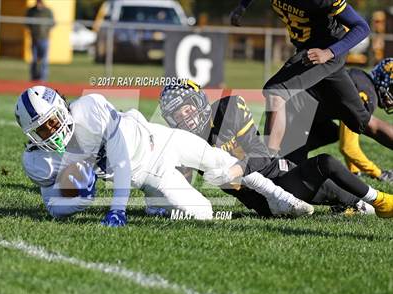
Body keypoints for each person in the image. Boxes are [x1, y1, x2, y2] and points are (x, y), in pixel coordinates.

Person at [14, 86, 314, 227]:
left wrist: (117, 207)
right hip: (148, 173)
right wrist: (79, 199)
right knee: (204, 213)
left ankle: (280, 196)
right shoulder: (39, 161)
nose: (50, 133)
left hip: (161, 139)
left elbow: (119, 157)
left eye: (52, 122)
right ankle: (158, 204)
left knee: (220, 163)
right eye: (40, 131)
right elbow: (54, 209)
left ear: (63, 108)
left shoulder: (89, 108)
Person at [159, 81, 393, 218]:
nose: (186, 120)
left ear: (199, 102)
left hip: (278, 173)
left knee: (334, 182)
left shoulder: (226, 109)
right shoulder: (182, 140)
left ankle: (370, 202)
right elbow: (179, 183)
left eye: (187, 110)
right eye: (178, 116)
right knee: (325, 164)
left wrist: (234, 171)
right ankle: (375, 201)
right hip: (262, 199)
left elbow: (261, 154)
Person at [229, 0, 386, 156]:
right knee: (364, 122)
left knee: (277, 92)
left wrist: (329, 53)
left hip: (325, 51)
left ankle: (268, 163)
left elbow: (362, 27)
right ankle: (287, 158)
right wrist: (241, 7)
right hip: (311, 52)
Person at [282, 58, 393, 182]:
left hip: (299, 109)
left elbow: (348, 130)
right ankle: (287, 156)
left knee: (332, 132)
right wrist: (378, 173)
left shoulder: (359, 76)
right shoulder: (366, 94)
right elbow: (348, 147)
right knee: (294, 178)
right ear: (383, 80)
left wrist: (354, 170)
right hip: (296, 116)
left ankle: (293, 155)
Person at [26, 0, 55, 81]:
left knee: (44, 59)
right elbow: (27, 23)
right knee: (34, 59)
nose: (38, 3)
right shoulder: (31, 11)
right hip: (34, 38)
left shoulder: (48, 11)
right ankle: (33, 77)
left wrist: (47, 30)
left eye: (40, 2)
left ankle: (43, 78)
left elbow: (53, 23)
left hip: (44, 38)